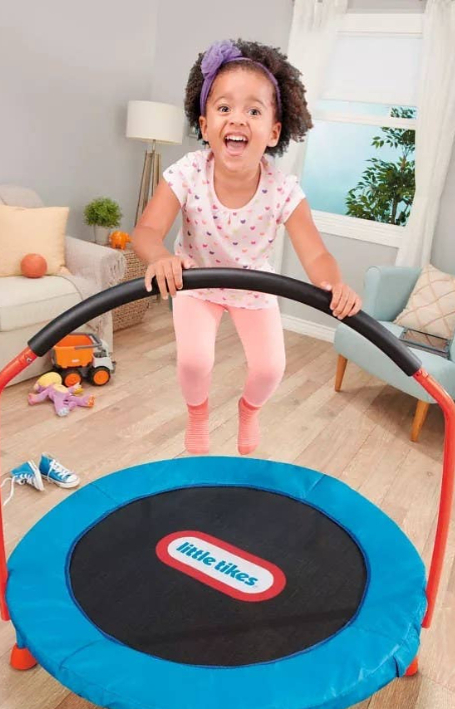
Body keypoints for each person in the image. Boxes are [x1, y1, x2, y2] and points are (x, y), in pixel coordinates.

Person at [132, 39, 361, 456]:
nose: (237, 119)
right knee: (195, 362)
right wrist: (163, 257)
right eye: (224, 108)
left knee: (271, 368)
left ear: (273, 131)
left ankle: (248, 411)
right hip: (196, 283)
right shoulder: (188, 172)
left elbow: (316, 254)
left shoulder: (283, 189)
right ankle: (198, 414)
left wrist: (334, 283)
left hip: (254, 288)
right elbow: (146, 231)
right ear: (204, 126)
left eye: (253, 110)